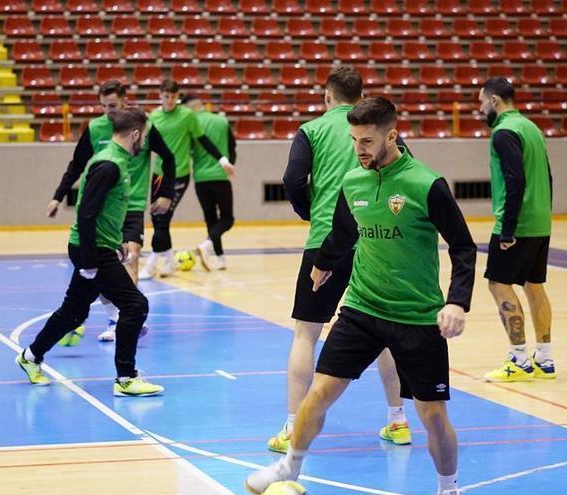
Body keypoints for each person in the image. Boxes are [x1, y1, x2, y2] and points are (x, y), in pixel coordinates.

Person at [246, 97, 476, 495]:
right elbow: (343, 231)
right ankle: (288, 468)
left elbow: (463, 245)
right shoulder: (353, 181)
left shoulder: (426, 184)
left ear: (392, 134)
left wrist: (456, 301)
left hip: (417, 316)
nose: (360, 149)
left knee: (433, 415)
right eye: (354, 140)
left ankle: (448, 487)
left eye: (367, 140)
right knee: (319, 393)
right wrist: (324, 264)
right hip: (362, 308)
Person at [271, 66, 414, 454]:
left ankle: (290, 427)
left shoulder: (312, 130)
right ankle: (398, 420)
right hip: (377, 240)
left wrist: (311, 210)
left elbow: (292, 179)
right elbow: (406, 170)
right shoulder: (380, 129)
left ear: (327, 97)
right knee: (383, 332)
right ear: (361, 96)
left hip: (326, 241)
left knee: (305, 333)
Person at [17, 108, 165, 397]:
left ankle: (30, 357)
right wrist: (88, 262)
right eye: (144, 136)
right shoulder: (109, 164)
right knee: (135, 305)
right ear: (135, 134)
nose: (145, 143)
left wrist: (118, 239)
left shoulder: (117, 161)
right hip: (92, 249)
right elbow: (86, 213)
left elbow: (104, 210)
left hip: (100, 245)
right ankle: (126, 378)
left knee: (74, 312)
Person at [46, 80, 176, 341]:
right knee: (101, 270)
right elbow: (77, 164)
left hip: (133, 203)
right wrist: (58, 196)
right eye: (104, 105)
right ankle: (110, 317)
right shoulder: (95, 129)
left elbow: (169, 158)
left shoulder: (143, 127)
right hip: (104, 210)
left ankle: (129, 319)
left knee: (132, 256)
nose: (108, 111)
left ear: (124, 102)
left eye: (113, 105)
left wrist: (165, 194)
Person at [476, 77, 556, 382]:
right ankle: (545, 359)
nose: (481, 109)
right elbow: (548, 176)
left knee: (498, 284)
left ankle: (519, 359)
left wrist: (507, 229)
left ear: (495, 100)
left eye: (482, 102)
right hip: (539, 221)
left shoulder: (504, 132)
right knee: (534, 285)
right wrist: (544, 214)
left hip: (517, 223)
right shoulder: (531, 128)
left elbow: (515, 179)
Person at [140, 79, 234, 279]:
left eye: (173, 97)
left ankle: (151, 264)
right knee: (156, 219)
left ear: (177, 97)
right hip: (159, 174)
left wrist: (222, 159)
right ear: (160, 95)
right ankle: (170, 261)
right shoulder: (153, 117)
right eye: (166, 96)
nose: (170, 100)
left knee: (163, 218)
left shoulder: (187, 116)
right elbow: (146, 145)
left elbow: (203, 140)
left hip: (179, 175)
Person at [181, 94, 236, 271]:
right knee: (227, 218)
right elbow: (232, 146)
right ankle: (208, 245)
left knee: (210, 219)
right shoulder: (221, 120)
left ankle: (220, 258)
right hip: (220, 176)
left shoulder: (190, 123)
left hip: (200, 178)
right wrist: (229, 165)